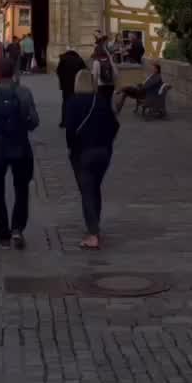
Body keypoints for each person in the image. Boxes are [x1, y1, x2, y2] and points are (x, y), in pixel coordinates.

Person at [0, 57, 39, 249]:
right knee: (21, 190)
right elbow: (34, 122)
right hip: (20, 146)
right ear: (14, 72)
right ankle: (17, 230)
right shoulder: (24, 92)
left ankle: (3, 234)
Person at [65, 68, 119, 250]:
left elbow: (70, 130)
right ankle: (95, 225)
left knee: (87, 190)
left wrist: (73, 148)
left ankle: (93, 233)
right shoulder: (101, 101)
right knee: (94, 188)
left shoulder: (73, 102)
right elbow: (114, 125)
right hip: (103, 152)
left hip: (83, 152)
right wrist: (106, 143)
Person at [56, 46, 86, 127]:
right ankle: (75, 121)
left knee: (65, 103)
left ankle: (64, 121)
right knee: (76, 103)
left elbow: (58, 71)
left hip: (65, 85)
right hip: (76, 85)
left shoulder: (63, 59)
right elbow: (84, 71)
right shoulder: (79, 59)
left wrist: (62, 81)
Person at [91, 33, 118, 102]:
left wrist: (94, 90)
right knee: (109, 102)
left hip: (101, 86)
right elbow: (116, 74)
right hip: (111, 86)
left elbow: (95, 77)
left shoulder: (96, 62)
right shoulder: (111, 60)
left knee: (101, 103)